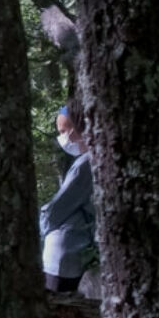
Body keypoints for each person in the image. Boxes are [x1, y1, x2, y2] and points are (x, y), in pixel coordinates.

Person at [40, 103, 96, 294]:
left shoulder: (85, 165)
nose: (62, 137)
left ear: (77, 130)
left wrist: (40, 227)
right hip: (71, 251)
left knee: (61, 313)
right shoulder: (87, 161)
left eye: (63, 131)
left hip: (64, 252)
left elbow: (58, 209)